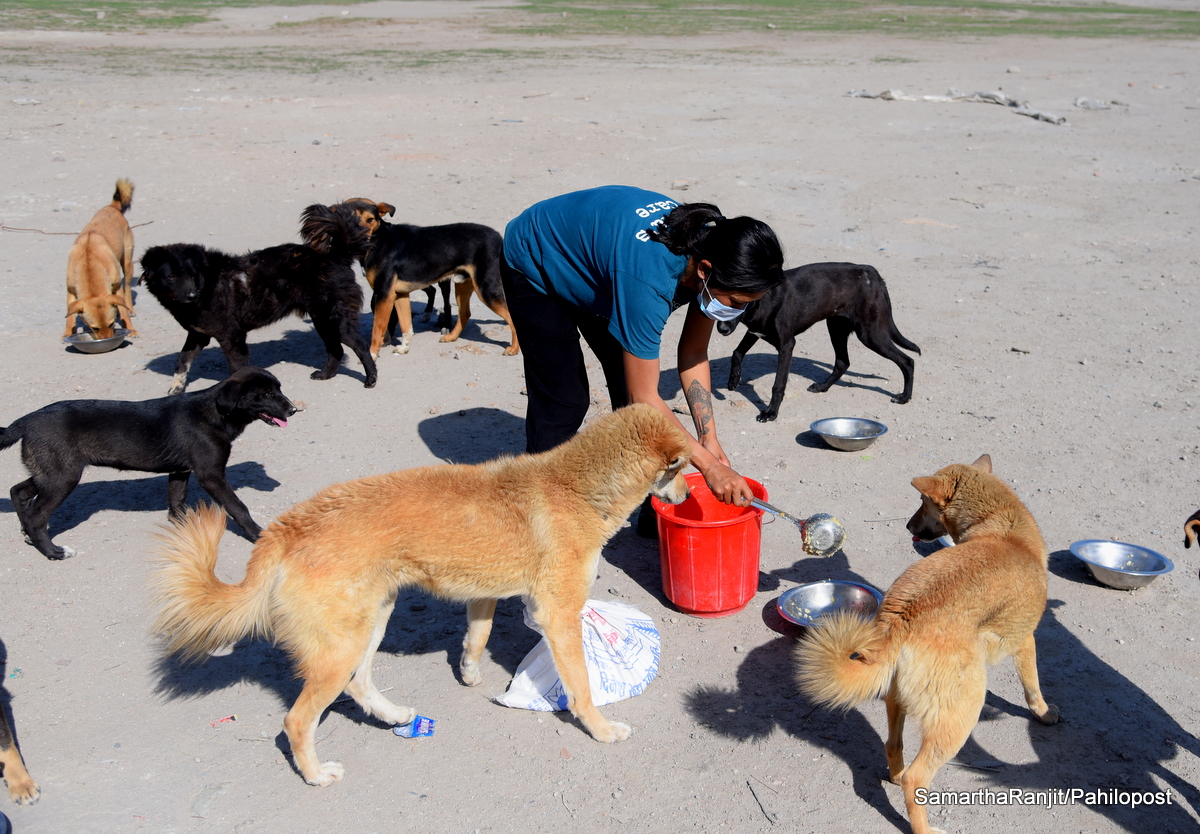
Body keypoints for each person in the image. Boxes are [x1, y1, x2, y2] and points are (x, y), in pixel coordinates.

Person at [500, 185, 785, 514]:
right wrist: (709, 466)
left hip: (602, 269)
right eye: (734, 302)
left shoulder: (713, 251)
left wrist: (708, 439)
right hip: (537, 259)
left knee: (629, 392)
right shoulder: (649, 279)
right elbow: (645, 399)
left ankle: (656, 513)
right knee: (564, 401)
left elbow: (692, 353)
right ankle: (534, 511)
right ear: (705, 270)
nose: (735, 312)